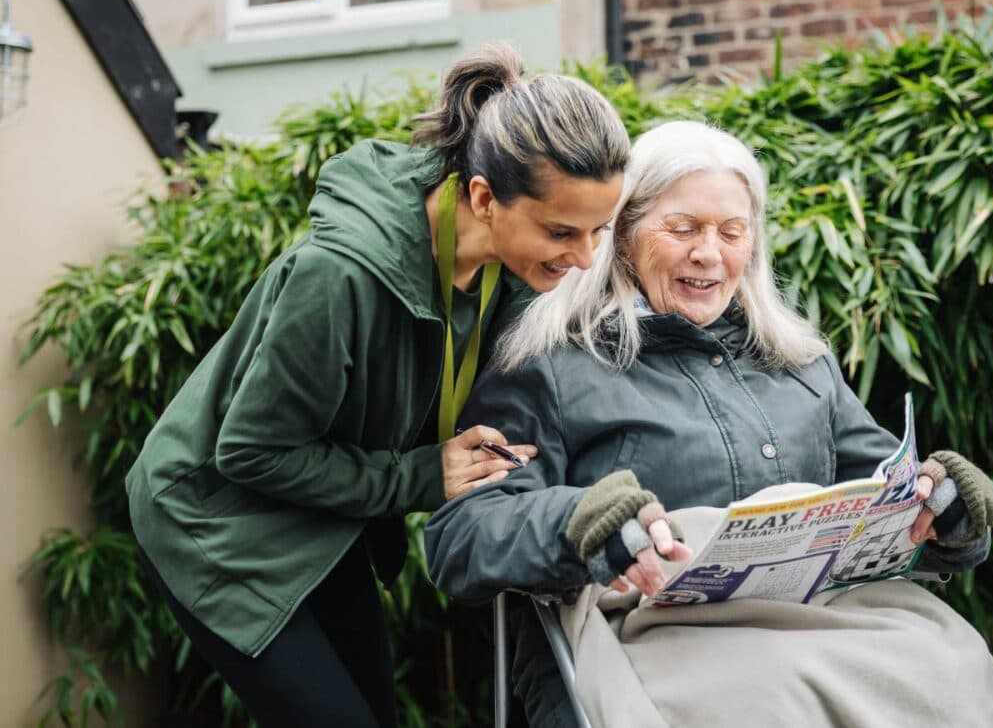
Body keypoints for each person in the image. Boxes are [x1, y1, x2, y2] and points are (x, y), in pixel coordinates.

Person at [425, 121, 993, 728]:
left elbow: (893, 501)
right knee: (772, 698)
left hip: (822, 621)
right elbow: (460, 536)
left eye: (732, 232)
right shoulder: (550, 365)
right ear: (621, 234)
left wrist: (950, 511)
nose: (709, 253)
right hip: (651, 638)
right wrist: (578, 522)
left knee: (954, 666)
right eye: (682, 229)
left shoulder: (801, 362)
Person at [125, 44, 630, 728]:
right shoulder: (338, 277)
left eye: (600, 229)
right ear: (483, 198)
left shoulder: (509, 267)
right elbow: (250, 452)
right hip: (217, 516)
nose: (584, 257)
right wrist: (426, 473)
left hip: (325, 514)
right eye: (563, 232)